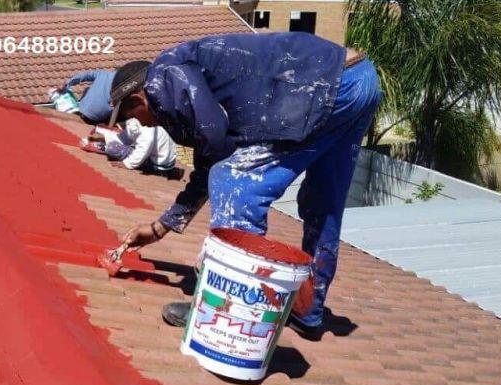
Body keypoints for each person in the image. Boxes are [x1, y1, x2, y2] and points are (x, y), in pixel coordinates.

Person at [109, 33, 381, 338]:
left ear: (138, 99)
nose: (138, 124)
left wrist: (214, 172)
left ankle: (227, 308)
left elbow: (215, 146)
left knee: (232, 179)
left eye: (131, 116)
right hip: (359, 78)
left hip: (323, 85)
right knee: (323, 200)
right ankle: (308, 310)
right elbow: (211, 149)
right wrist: (161, 227)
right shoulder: (181, 72)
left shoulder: (162, 78)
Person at [105, 118, 178, 174]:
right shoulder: (151, 126)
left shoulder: (145, 136)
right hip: (168, 161)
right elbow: (125, 138)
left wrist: (127, 164)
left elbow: (141, 152)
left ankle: (167, 172)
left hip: (159, 165)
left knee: (114, 148)